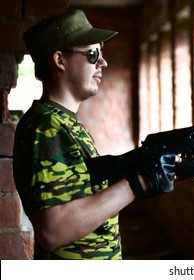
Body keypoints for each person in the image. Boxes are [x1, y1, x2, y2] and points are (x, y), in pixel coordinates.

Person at [13, 9, 176, 260]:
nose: (103, 63)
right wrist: (136, 184)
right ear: (60, 60)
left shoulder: (63, 121)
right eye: (93, 54)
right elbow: (53, 230)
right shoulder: (46, 127)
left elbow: (80, 195)